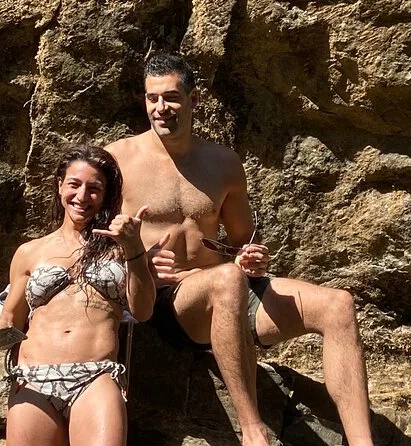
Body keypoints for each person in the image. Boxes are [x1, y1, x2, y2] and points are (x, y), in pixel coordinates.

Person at [105, 54, 374, 445]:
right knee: (226, 280)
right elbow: (89, 241)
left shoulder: (223, 163)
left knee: (339, 305)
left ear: (193, 100)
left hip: (228, 291)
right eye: (152, 98)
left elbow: (241, 243)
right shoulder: (118, 159)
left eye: (172, 97)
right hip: (166, 301)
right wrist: (136, 260)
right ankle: (252, 430)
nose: (160, 108)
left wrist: (252, 257)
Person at [0, 144, 157, 446]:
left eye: (94, 189)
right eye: (74, 185)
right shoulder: (29, 252)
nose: (82, 196)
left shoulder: (122, 249)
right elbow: (10, 321)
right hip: (33, 379)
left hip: (96, 376)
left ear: (107, 195)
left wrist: (135, 249)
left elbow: (143, 311)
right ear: (59, 186)